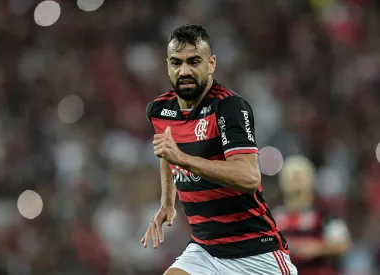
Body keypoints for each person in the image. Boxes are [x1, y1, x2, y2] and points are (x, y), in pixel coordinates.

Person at [142, 24, 297, 275]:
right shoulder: (160, 110)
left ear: (211, 63)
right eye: (176, 62)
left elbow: (249, 177)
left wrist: (183, 158)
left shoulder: (229, 107)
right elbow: (166, 149)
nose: (184, 71)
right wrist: (167, 201)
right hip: (206, 251)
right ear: (167, 65)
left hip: (255, 252)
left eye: (194, 62)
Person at [273, 155, 351, 275]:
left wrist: (317, 248)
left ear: (310, 180)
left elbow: (343, 244)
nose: (295, 181)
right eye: (290, 177)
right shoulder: (275, 217)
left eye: (299, 177)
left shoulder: (324, 214)